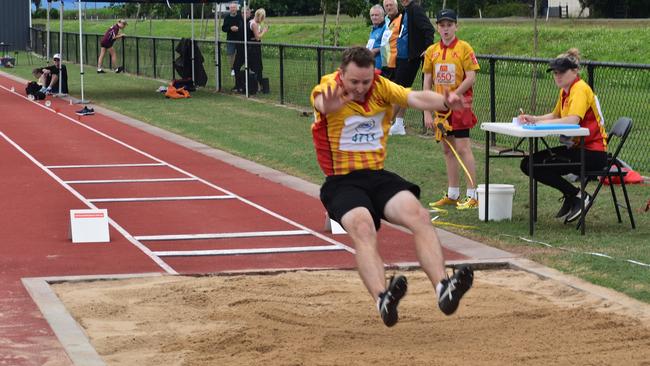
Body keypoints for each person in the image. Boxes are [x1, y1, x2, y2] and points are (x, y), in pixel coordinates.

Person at [310, 47, 473, 327]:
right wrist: (330, 104)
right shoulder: (328, 86)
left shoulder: (381, 86)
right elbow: (321, 103)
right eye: (354, 82)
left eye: (365, 81)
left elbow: (415, 97)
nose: (361, 88)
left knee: (419, 216)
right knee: (363, 227)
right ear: (342, 75)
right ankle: (382, 298)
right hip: (341, 182)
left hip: (377, 176)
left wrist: (445, 100)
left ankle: (443, 288)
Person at [519, 48, 608, 223]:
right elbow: (555, 116)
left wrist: (538, 124)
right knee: (528, 163)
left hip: (593, 153)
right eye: (555, 72)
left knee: (533, 165)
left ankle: (578, 196)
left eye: (562, 72)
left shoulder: (580, 89)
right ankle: (573, 194)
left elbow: (573, 120)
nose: (557, 76)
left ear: (574, 71)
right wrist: (533, 118)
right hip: (578, 148)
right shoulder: (565, 91)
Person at [425, 9, 480, 210]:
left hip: (460, 106)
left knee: (463, 148)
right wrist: (427, 111)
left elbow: (471, 76)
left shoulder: (465, 48)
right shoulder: (432, 51)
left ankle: (473, 195)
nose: (446, 29)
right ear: (437, 27)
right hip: (440, 107)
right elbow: (427, 80)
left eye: (449, 25)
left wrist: (455, 94)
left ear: (456, 26)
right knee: (448, 150)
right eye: (442, 25)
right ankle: (453, 193)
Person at [389, 0, 435, 136]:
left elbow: (429, 29)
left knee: (398, 92)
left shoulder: (415, 9)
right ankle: (397, 125)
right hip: (402, 57)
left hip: (411, 58)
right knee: (401, 92)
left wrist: (427, 49)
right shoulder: (405, 11)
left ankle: (384, 125)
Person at [379, 0, 402, 80]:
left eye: (391, 5)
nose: (389, 7)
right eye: (386, 6)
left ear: (396, 6)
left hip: (394, 63)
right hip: (385, 63)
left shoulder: (401, 19)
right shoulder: (386, 21)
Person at [248, 8, 269, 92]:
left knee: (258, 67)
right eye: (262, 18)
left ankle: (259, 85)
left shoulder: (253, 22)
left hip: (255, 48)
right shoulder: (254, 24)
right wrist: (264, 31)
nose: (263, 20)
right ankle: (257, 86)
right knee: (256, 67)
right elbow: (257, 37)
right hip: (253, 49)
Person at [221, 2, 243, 76]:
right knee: (231, 54)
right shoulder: (227, 17)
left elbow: (243, 26)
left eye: (234, 7)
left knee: (240, 53)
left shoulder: (240, 16)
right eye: (231, 8)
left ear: (236, 8)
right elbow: (224, 28)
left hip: (240, 39)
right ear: (229, 9)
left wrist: (238, 28)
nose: (233, 9)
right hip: (230, 39)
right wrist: (230, 28)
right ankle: (232, 68)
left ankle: (239, 68)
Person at [367, 5, 385, 71]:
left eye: (376, 15)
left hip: (381, 67)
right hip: (371, 66)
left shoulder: (385, 28)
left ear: (382, 16)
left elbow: (389, 45)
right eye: (372, 15)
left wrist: (375, 51)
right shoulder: (373, 29)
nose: (374, 17)